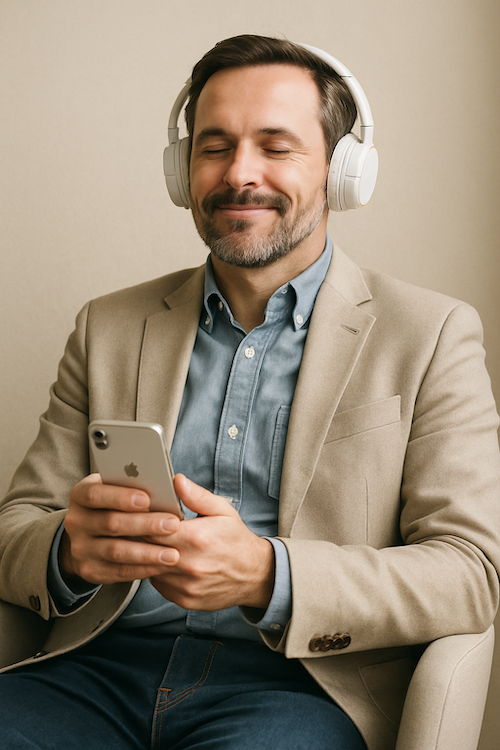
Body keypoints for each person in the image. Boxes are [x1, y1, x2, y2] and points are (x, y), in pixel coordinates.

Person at [0, 33, 499, 750]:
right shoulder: (107, 326)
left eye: (276, 145)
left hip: (295, 688)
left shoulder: (432, 335)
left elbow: (470, 571)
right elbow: (17, 524)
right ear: (182, 171)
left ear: (343, 169)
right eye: (214, 146)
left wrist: (270, 576)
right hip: (93, 673)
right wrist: (68, 552)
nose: (240, 173)